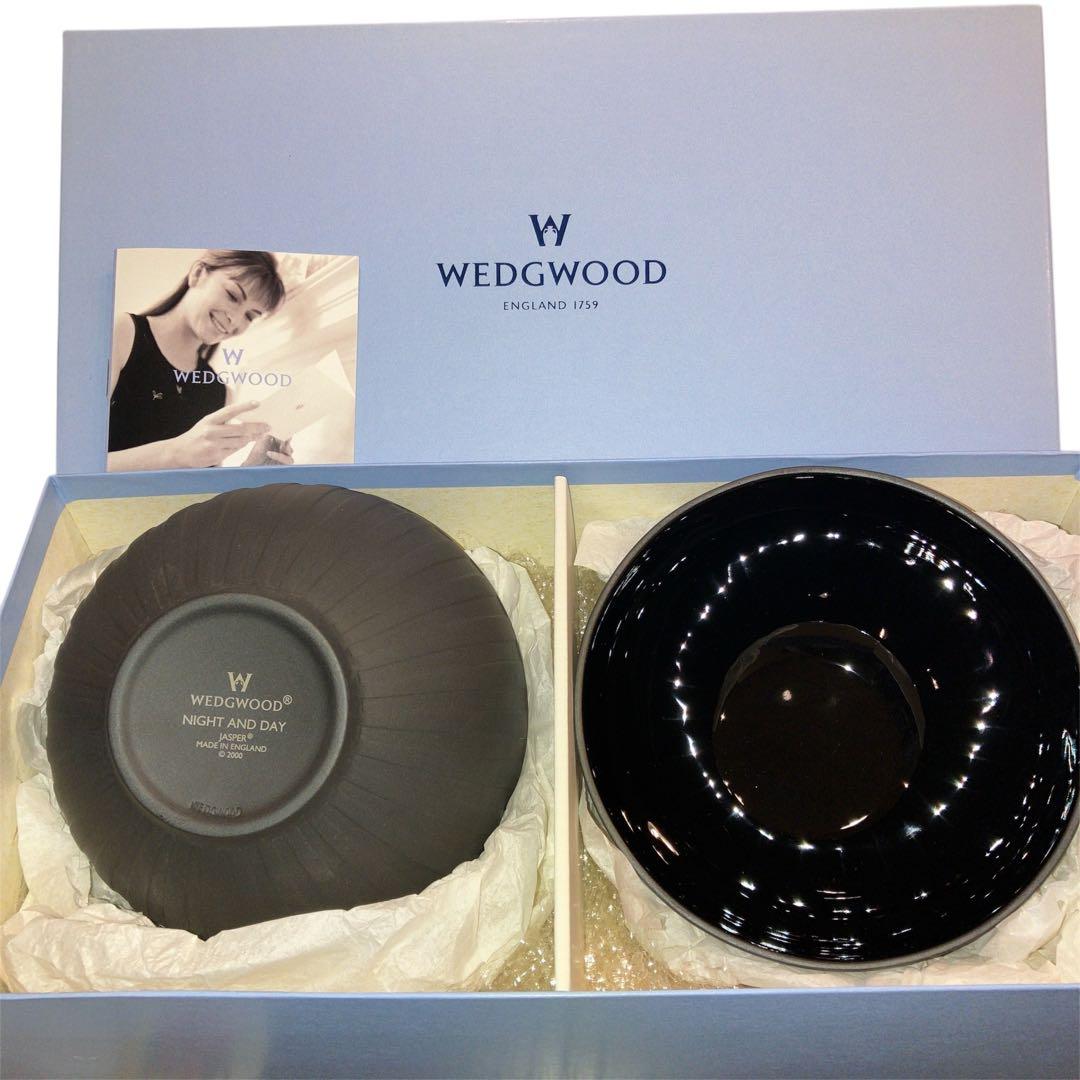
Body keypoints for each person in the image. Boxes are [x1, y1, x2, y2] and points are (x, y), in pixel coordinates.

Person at [107, 250, 293, 471]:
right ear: (198, 274)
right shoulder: (122, 333)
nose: (235, 320)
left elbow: (206, 485)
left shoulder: (220, 393)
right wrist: (175, 453)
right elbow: (79, 463)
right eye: (232, 295)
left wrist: (250, 470)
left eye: (249, 316)